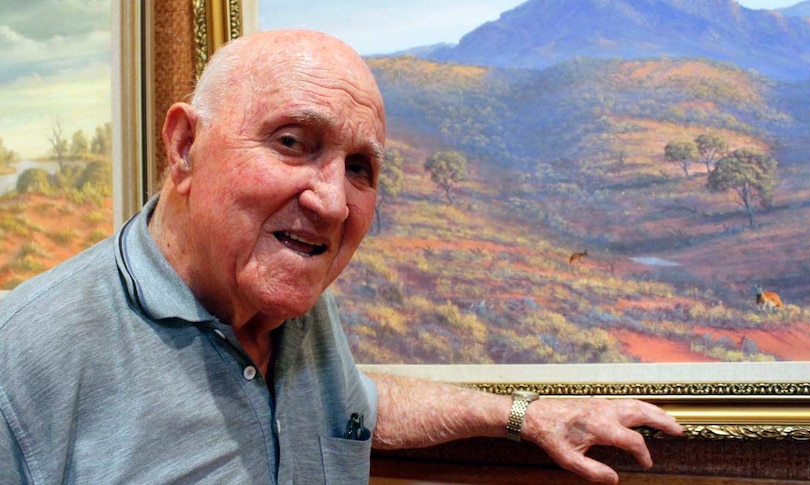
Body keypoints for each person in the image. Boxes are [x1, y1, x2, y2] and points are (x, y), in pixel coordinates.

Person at [0, 29, 682, 484]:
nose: (330, 200)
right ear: (184, 148)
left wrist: (526, 416)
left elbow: (359, 404)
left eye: (359, 167)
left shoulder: (292, 309)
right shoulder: (23, 363)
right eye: (293, 141)